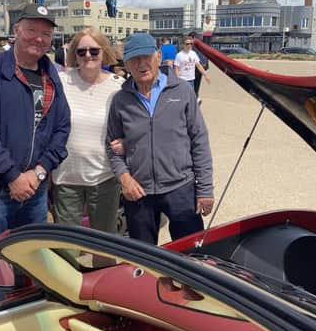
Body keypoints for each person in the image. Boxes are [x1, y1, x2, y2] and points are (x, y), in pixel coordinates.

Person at [0, 3, 70, 253]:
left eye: (46, 34)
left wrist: (40, 172)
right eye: (31, 30)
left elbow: (62, 128)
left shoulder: (51, 74)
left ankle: (30, 294)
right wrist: (12, 175)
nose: (39, 38)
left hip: (37, 186)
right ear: (16, 30)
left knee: (33, 257)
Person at [106, 33, 214, 245]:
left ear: (158, 56)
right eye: (134, 59)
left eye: (146, 56)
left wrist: (205, 189)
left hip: (181, 188)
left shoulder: (182, 91)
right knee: (142, 261)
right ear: (126, 64)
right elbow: (111, 147)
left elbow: (199, 140)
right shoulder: (120, 100)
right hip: (139, 193)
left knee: (191, 258)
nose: (141, 64)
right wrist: (125, 179)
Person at [53, 27, 124, 235]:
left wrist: (127, 142)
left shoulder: (118, 86)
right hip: (66, 178)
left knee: (106, 245)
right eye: (81, 51)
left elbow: (133, 125)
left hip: (104, 177)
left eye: (94, 51)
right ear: (74, 53)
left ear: (104, 52)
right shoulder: (61, 82)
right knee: (66, 248)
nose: (88, 56)